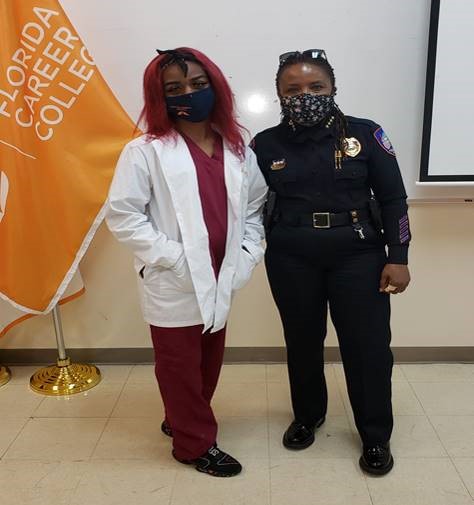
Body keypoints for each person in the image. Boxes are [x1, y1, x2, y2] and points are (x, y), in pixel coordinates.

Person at [106, 47, 267, 477]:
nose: (189, 94)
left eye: (198, 84)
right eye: (174, 88)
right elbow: (123, 216)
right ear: (160, 98)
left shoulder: (237, 150)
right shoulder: (144, 152)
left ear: (215, 87)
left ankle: (181, 418)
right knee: (179, 366)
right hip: (173, 280)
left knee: (208, 362)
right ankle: (193, 444)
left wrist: (248, 256)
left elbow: (254, 210)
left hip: (222, 274)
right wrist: (176, 259)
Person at [251, 49, 411, 475]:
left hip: (358, 254)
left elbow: (394, 199)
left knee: (368, 348)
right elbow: (247, 205)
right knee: (301, 341)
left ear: (333, 88)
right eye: (294, 89)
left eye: (315, 87)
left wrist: (399, 256)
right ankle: (307, 416)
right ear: (280, 95)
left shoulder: (366, 133)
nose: (305, 95)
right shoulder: (265, 145)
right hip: (291, 256)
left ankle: (375, 435)